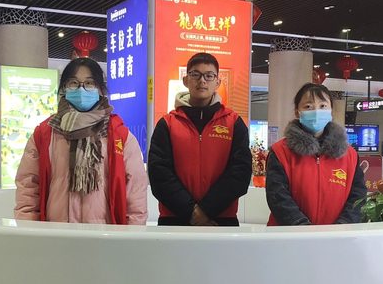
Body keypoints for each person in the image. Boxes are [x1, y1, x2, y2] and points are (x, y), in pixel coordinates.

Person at [14, 58, 148, 224]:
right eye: (74, 83)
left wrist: (132, 232)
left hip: (105, 233)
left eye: (90, 83)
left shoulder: (119, 135)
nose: (81, 89)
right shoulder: (45, 133)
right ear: (65, 87)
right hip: (56, 231)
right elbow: (28, 186)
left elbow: (136, 189)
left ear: (100, 89)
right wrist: (27, 228)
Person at [148, 53, 251, 226]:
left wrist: (206, 210)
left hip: (221, 219)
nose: (202, 81)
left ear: (217, 82)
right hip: (174, 219)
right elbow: (159, 174)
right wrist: (191, 212)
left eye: (209, 76)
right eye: (195, 74)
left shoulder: (233, 123)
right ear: (185, 80)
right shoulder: (168, 123)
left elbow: (240, 172)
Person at [266, 83, 367, 226]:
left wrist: (343, 226)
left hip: (337, 235)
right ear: (297, 112)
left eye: (323, 106)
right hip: (289, 234)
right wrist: (302, 227)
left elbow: (358, 194)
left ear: (331, 111)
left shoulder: (349, 154)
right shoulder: (280, 152)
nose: (316, 111)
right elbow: (277, 195)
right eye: (308, 106)